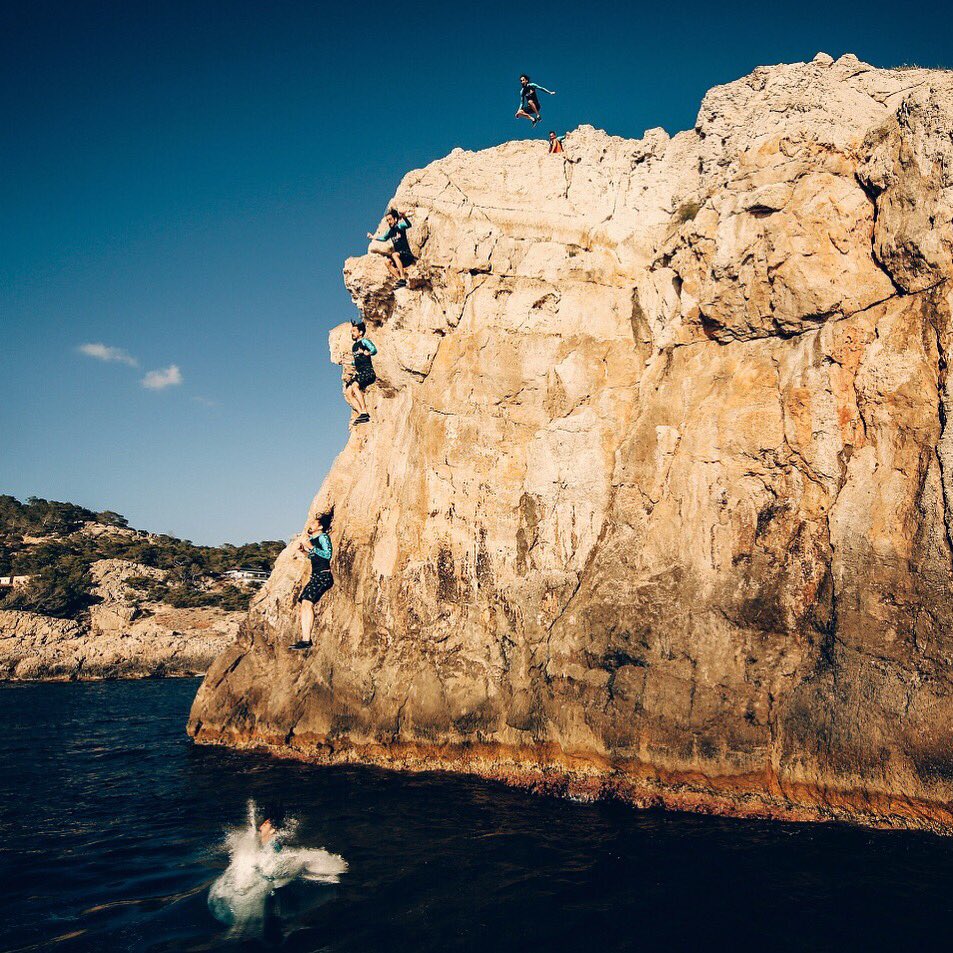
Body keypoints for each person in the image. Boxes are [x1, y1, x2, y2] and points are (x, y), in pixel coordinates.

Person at [290, 511, 334, 650]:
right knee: (304, 604)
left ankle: (306, 640)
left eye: (314, 523)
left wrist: (311, 547)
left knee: (307, 603)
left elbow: (327, 555)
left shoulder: (323, 537)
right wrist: (304, 551)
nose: (311, 524)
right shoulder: (314, 540)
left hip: (324, 575)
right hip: (316, 576)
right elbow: (314, 557)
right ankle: (305, 639)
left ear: (320, 527)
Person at [367, 209, 415, 287]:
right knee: (387, 263)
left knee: (394, 255)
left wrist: (405, 217)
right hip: (400, 258)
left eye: (390, 219)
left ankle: (402, 277)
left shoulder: (400, 226)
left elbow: (409, 225)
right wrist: (373, 237)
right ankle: (400, 279)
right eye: (387, 220)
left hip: (407, 255)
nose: (389, 222)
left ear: (395, 219)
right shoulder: (390, 232)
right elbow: (384, 238)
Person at [342, 321, 377, 426]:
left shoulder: (364, 342)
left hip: (368, 372)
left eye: (354, 331)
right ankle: (361, 413)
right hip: (360, 372)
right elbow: (356, 361)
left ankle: (364, 411)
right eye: (351, 331)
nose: (352, 333)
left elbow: (374, 350)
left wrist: (368, 352)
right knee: (348, 392)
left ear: (360, 332)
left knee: (355, 386)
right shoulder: (354, 346)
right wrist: (345, 362)